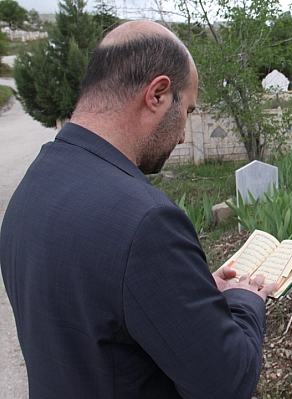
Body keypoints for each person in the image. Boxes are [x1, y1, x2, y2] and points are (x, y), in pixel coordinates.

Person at [0, 20, 277, 398]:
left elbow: (97, 312)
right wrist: (245, 299)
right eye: (189, 110)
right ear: (158, 94)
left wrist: (189, 295)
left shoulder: (35, 183)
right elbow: (227, 383)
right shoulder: (145, 221)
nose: (182, 134)